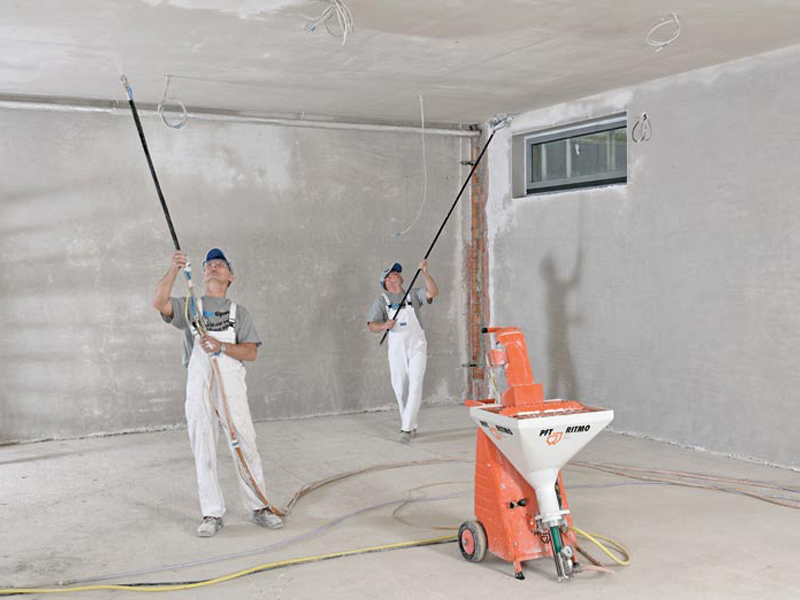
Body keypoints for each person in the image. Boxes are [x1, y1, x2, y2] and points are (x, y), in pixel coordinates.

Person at [152, 247, 283, 537]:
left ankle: (259, 506)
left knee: (245, 443)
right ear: (201, 274)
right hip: (199, 385)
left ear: (230, 276)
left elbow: (250, 352)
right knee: (203, 446)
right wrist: (174, 268)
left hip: (231, 387)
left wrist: (221, 346)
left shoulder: (239, 313)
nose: (213, 266)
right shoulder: (191, 306)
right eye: (208, 264)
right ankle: (212, 513)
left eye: (220, 264)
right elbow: (159, 302)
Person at [367, 260, 439, 443]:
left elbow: (433, 292)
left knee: (415, 384)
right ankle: (411, 425)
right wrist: (384, 325)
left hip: (417, 347)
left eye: (398, 272)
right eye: (395, 273)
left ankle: (405, 429)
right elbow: (372, 325)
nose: (399, 274)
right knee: (400, 389)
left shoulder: (413, 294)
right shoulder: (382, 301)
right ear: (387, 280)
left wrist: (425, 272)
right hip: (397, 349)